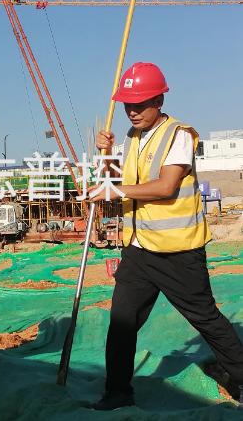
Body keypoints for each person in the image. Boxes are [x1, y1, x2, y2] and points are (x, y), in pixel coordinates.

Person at [90, 62, 243, 411]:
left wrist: (114, 192)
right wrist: (108, 152)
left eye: (139, 103)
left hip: (177, 251)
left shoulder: (179, 135)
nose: (132, 111)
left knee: (205, 318)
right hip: (140, 248)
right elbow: (120, 178)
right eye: (128, 104)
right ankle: (117, 392)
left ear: (159, 99)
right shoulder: (131, 136)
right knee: (122, 321)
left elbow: (165, 185)